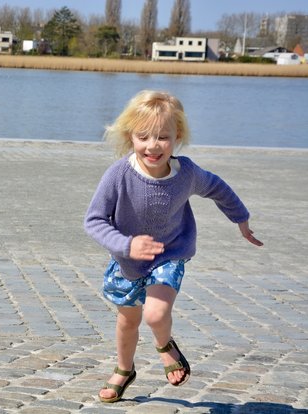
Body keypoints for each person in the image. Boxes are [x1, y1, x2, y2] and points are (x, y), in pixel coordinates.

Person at [83, 90, 263, 403]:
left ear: (177, 136)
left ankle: (165, 346)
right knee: (128, 322)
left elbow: (218, 188)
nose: (153, 146)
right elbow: (94, 221)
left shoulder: (187, 174)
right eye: (144, 137)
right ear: (130, 137)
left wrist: (241, 219)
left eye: (163, 137)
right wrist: (126, 244)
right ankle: (124, 370)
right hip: (126, 261)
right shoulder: (118, 175)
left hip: (169, 255)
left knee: (155, 313)